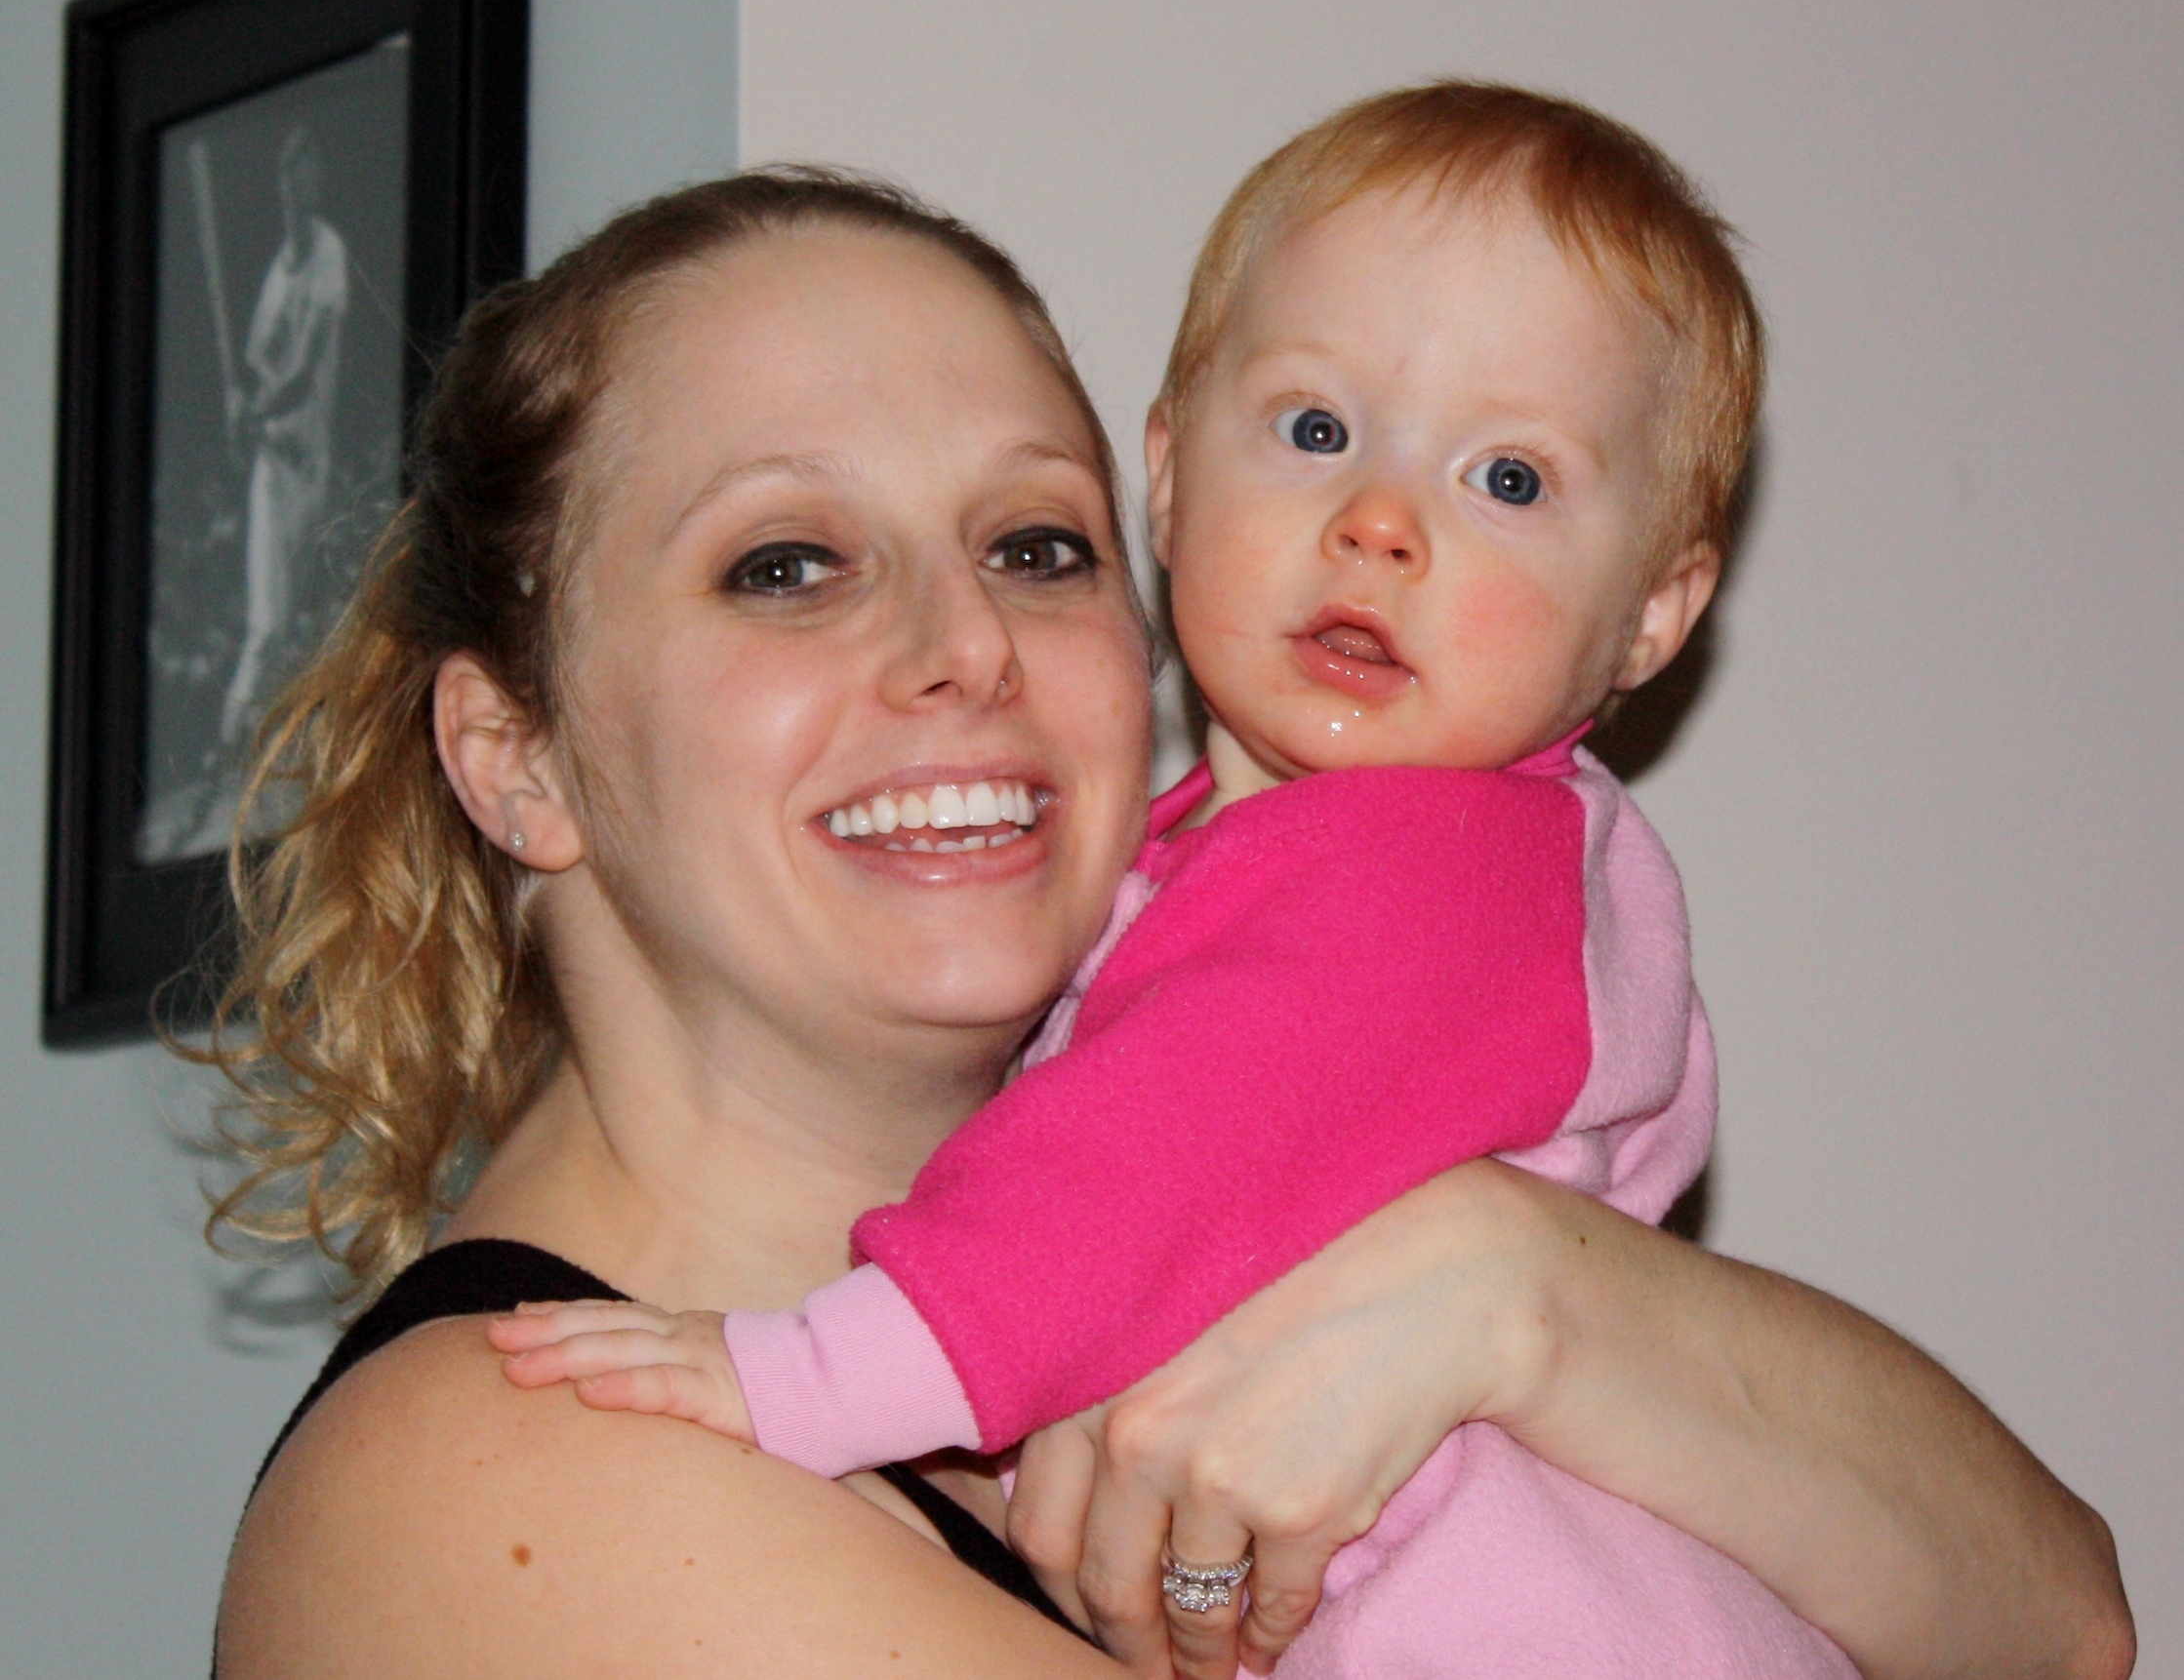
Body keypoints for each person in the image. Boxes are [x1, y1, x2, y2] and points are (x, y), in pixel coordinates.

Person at [195, 167, 2131, 1680]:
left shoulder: (1225, 1290)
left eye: (1036, 545)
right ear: (516, 753)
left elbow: (2059, 1622)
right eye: (786, 563)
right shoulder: (513, 1472)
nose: (963, 645)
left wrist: (1516, 1295)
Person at [487, 82, 1849, 1679]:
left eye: (1508, 479)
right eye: (1317, 431)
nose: (1379, 524)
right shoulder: (1254, 862)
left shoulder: (1444, 883)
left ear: (1652, 613)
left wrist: (792, 1376)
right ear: (1173, 479)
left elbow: (1118, 1185)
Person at [222, 122, 347, 751]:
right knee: (270, 620)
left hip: (310, 460)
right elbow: (255, 367)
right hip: (276, 465)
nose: (304, 183)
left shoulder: (329, 254)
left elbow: (301, 374)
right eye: (294, 172)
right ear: (282, 184)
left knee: (309, 614)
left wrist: (258, 407)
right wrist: (238, 407)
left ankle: (282, 741)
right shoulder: (278, 272)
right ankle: (235, 741)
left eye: (312, 169)